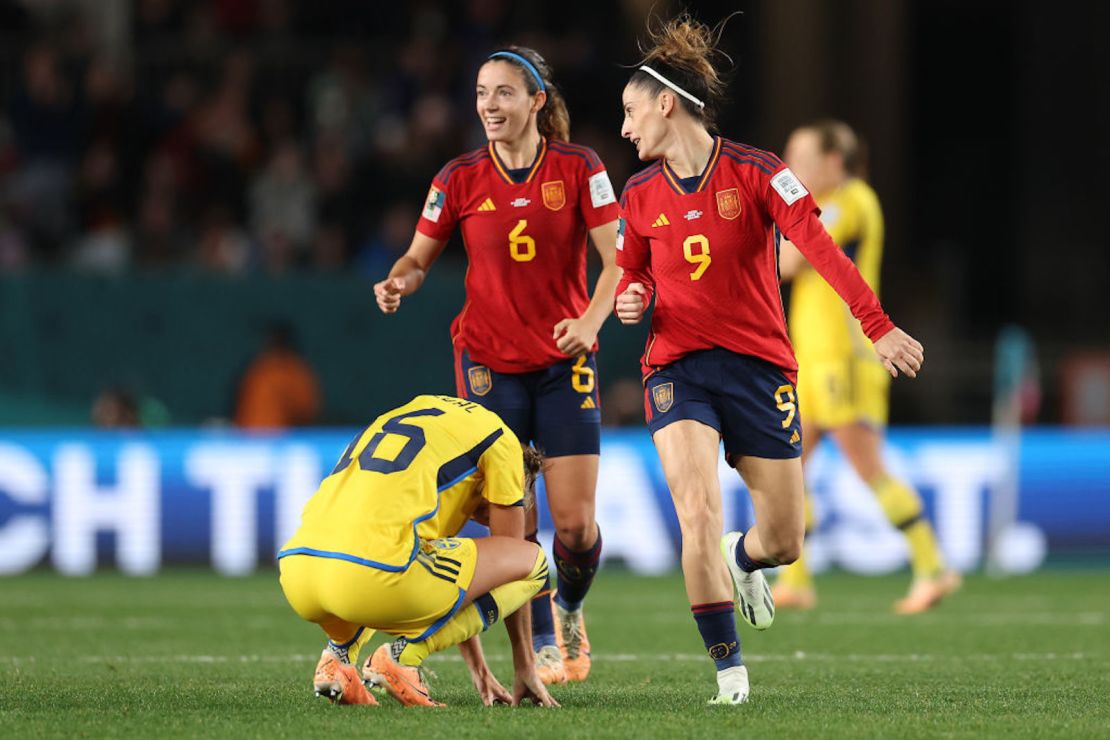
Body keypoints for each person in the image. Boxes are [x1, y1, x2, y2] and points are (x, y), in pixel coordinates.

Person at [613, 15, 925, 705]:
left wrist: (877, 327)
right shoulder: (637, 196)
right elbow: (631, 274)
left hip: (758, 369)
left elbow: (819, 249)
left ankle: (743, 556)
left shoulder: (758, 173)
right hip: (677, 370)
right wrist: (632, 299)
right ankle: (730, 674)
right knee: (695, 513)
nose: (626, 128)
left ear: (667, 104)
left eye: (632, 112)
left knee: (784, 540)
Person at [373, 46, 621, 685]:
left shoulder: (580, 167)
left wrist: (591, 322)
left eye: (504, 93)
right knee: (519, 514)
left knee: (575, 523)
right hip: (487, 363)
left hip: (565, 359)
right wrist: (399, 281)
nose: (489, 105)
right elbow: (416, 259)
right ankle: (540, 642)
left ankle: (569, 608)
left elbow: (621, 259)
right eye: (482, 93)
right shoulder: (456, 177)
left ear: (536, 101)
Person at [774, 120, 960, 613]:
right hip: (813, 358)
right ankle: (797, 579)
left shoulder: (850, 201)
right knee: (792, 466)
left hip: (845, 359)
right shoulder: (826, 204)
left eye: (800, 155)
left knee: (867, 466)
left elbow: (791, 262)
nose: (791, 165)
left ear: (834, 161)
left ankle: (932, 566)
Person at [278, 394, 558, 708]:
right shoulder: (502, 442)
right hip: (370, 580)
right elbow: (512, 560)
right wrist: (524, 666)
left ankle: (338, 660)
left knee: (402, 550)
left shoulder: (422, 416)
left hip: (298, 573)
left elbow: (464, 583)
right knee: (533, 560)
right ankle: (403, 656)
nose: (483, 518)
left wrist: (480, 670)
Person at [234, 321, 320, 429]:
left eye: (272, 337)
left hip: (279, 438)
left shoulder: (292, 370)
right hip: (250, 437)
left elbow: (307, 410)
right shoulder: (259, 366)